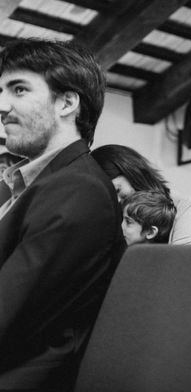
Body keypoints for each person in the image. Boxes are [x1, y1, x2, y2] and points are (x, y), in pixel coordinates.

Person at [0, 39, 124, 390]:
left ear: (67, 103)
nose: (1, 105)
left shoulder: (77, 189)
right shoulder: (33, 184)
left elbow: (7, 317)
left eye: (19, 89)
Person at [92, 144, 191, 246]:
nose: (117, 201)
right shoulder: (122, 218)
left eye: (118, 190)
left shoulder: (189, 211)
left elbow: (179, 272)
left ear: (133, 174)